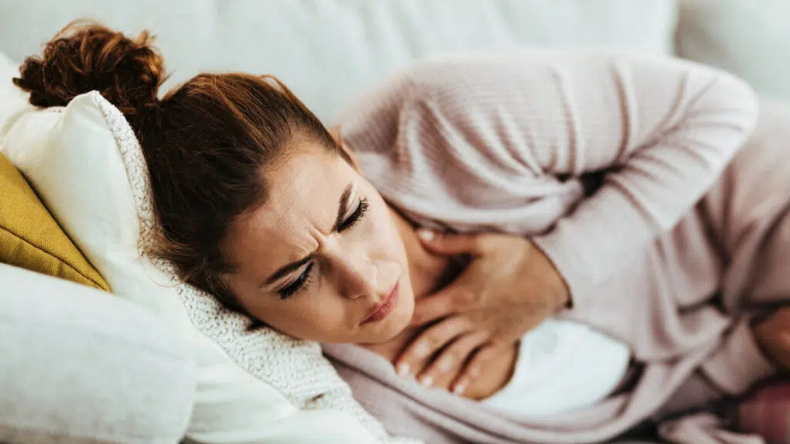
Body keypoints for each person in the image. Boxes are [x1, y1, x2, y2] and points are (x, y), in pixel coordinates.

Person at [14, 22, 790, 443]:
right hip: (739, 332)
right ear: (234, 300)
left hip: (744, 199)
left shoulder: (442, 116)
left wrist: (557, 268)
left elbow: (717, 107)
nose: (364, 278)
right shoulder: (371, 410)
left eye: (353, 212)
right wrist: (749, 355)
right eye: (295, 278)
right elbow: (641, 393)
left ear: (351, 156)